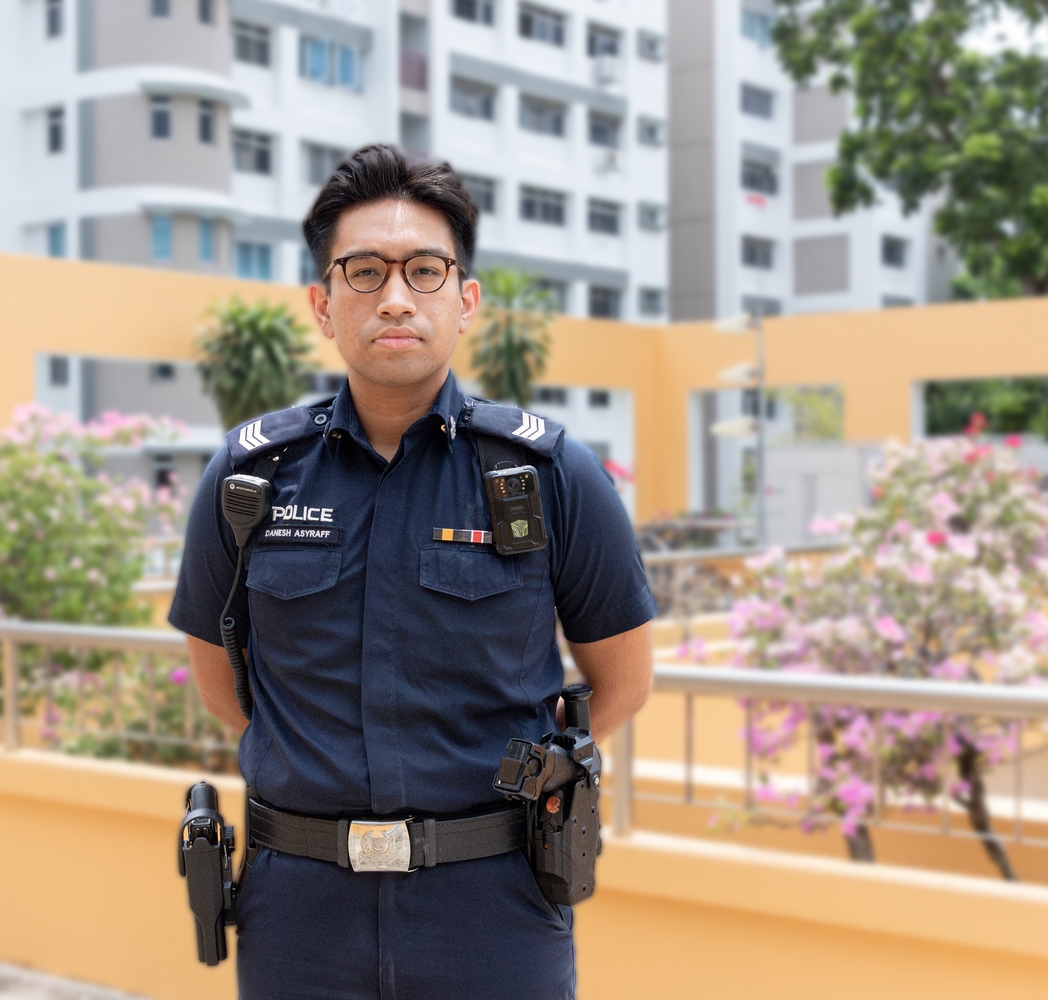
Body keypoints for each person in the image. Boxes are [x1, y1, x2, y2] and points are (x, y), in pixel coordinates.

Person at [169, 144, 655, 1000]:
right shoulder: (252, 478)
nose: (395, 296)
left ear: (465, 300)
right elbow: (222, 685)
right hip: (300, 914)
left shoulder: (550, 475)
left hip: (495, 908)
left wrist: (526, 783)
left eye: (424, 270)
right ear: (322, 303)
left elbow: (623, 680)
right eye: (363, 271)